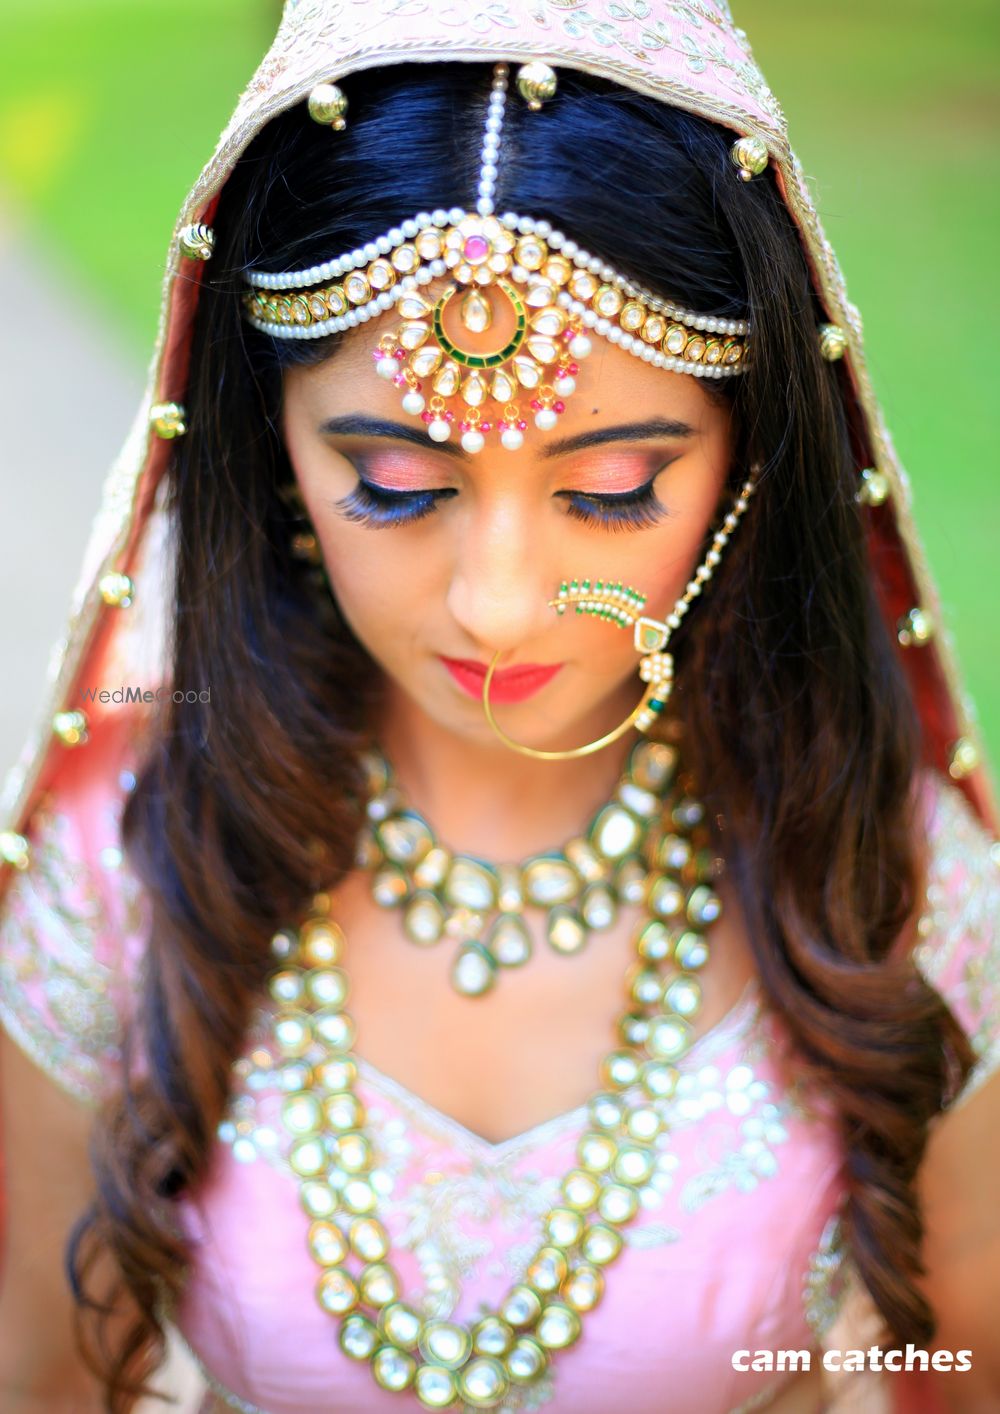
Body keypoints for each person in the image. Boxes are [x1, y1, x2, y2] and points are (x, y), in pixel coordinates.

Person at [0, 4, 997, 1412]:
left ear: (750, 454)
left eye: (611, 490)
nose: (499, 602)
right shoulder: (123, 868)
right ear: (272, 446)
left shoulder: (888, 878)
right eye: (398, 486)